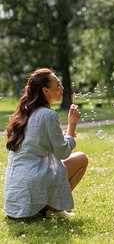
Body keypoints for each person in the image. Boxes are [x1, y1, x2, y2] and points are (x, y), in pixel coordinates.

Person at [4, 68, 88, 219]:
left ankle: (46, 207)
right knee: (81, 159)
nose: (61, 88)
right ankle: (53, 209)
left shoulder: (24, 112)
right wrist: (72, 126)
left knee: (59, 165)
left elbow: (36, 142)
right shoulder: (48, 114)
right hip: (32, 187)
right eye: (58, 85)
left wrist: (63, 136)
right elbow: (63, 152)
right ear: (45, 91)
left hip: (14, 200)